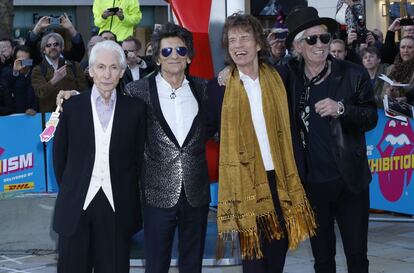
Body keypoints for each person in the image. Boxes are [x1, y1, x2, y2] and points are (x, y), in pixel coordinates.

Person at [208, 13, 316, 273]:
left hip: (280, 179)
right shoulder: (219, 87)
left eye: (245, 38)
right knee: (254, 260)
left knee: (276, 254)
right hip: (244, 181)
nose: (238, 45)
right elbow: (205, 128)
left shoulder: (281, 77)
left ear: (258, 44)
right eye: (232, 40)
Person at [282, 7, 378, 273]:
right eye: (311, 39)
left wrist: (342, 110)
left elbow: (371, 117)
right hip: (311, 185)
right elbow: (255, 77)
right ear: (298, 46)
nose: (320, 45)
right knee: (322, 258)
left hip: (350, 181)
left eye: (324, 38)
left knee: (357, 254)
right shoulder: (288, 76)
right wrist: (225, 75)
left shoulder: (352, 73)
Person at [53, 40, 146, 273]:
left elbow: (138, 160)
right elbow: (59, 158)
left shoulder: (135, 110)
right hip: (76, 206)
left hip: (117, 207)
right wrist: (74, 187)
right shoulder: (71, 107)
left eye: (114, 67)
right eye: (101, 67)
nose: (107, 74)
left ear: (122, 72)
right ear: (91, 71)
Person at [124, 22, 210, 273]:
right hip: (156, 193)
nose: (175, 56)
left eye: (181, 51)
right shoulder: (136, 91)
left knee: (192, 263)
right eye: (167, 52)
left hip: (196, 192)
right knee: (156, 263)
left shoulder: (204, 89)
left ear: (190, 57)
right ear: (157, 58)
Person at [31, 33, 88, 112]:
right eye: (48, 45)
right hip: (49, 117)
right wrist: (53, 80)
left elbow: (84, 92)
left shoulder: (75, 66)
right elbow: (40, 93)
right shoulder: (38, 70)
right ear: (43, 50)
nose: (52, 47)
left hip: (73, 113)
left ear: (61, 47)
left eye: (56, 44)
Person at [382, 36, 414, 101]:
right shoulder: (391, 68)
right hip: (394, 109)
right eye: (403, 47)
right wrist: (391, 91)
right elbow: (383, 95)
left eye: (409, 47)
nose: (405, 50)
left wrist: (406, 97)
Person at [11, 45, 38, 115]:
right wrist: (16, 72)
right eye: (20, 60)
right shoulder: (8, 73)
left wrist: (34, 108)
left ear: (31, 61)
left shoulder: (38, 72)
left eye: (26, 61)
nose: (23, 64)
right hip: (14, 115)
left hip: (35, 115)